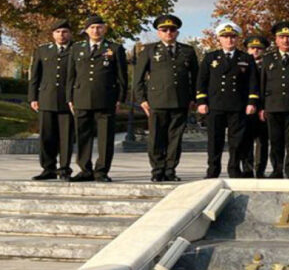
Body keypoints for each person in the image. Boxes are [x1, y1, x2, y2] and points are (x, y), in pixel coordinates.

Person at [133, 14, 199, 182]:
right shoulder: (149, 50)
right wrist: (142, 100)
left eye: (172, 30)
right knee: (156, 138)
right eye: (164, 30)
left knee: (175, 139)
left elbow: (196, 77)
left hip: (180, 100)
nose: (169, 32)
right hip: (157, 101)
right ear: (158, 32)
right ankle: (157, 170)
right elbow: (138, 78)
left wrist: (193, 98)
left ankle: (170, 170)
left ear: (177, 32)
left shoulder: (188, 51)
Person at [66, 15, 128, 182]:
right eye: (92, 27)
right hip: (81, 97)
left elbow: (122, 76)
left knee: (105, 138)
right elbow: (71, 76)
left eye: (99, 27)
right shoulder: (76, 48)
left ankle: (101, 171)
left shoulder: (114, 48)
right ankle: (85, 170)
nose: (95, 30)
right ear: (86, 30)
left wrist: (119, 99)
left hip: (106, 98)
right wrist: (69, 98)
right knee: (83, 136)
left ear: (104, 29)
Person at [196, 22, 259, 178]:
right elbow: (201, 80)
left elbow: (253, 82)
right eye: (225, 37)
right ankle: (213, 170)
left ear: (237, 39)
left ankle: (234, 168)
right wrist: (201, 101)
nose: (229, 40)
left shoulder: (246, 58)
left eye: (232, 37)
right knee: (214, 140)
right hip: (215, 105)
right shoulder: (211, 57)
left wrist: (252, 102)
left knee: (236, 141)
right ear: (219, 39)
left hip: (238, 105)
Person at [28, 19, 75, 180]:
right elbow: (35, 76)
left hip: (67, 100)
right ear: (52, 34)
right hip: (46, 99)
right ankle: (48, 168)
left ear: (70, 33)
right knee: (47, 136)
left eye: (64, 32)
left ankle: (64, 169)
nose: (61, 35)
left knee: (66, 137)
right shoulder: (42, 51)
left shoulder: (76, 50)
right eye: (58, 32)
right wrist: (33, 97)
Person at [259, 22, 289, 179]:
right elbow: (262, 84)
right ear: (276, 39)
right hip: (273, 106)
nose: (286, 40)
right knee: (276, 141)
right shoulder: (268, 59)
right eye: (282, 37)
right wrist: (261, 107)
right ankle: (277, 169)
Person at [244, 35, 270, 178]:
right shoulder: (243, 64)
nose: (255, 51)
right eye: (252, 48)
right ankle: (247, 169)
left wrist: (264, 107)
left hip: (262, 108)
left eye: (259, 48)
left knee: (262, 141)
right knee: (246, 140)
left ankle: (260, 170)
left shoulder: (267, 65)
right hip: (246, 108)